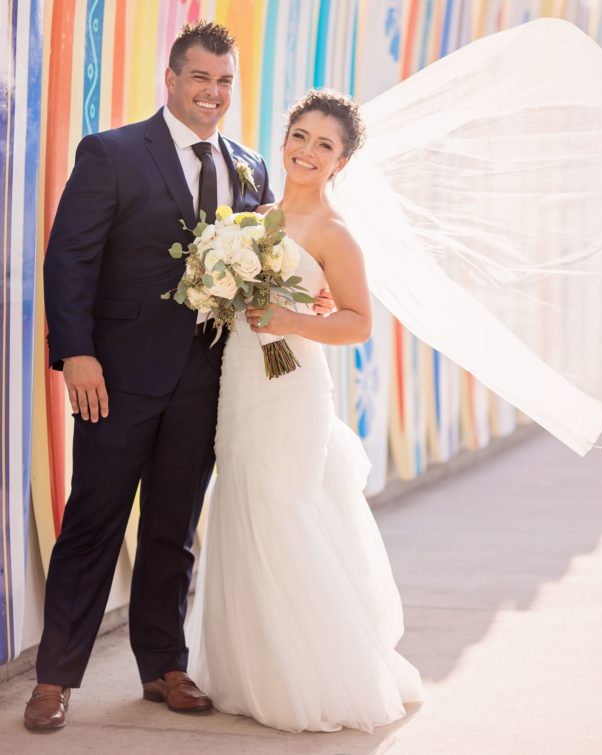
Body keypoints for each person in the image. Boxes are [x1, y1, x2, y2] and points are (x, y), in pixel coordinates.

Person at [25, 21, 333, 732]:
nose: (213, 93)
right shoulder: (111, 153)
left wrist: (302, 297)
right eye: (201, 78)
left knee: (174, 526)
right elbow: (69, 258)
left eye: (225, 82)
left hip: (206, 380)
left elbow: (266, 266)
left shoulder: (252, 167)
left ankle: (164, 664)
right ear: (171, 79)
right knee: (93, 524)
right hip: (116, 378)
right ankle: (55, 677)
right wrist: (77, 353)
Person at [185, 89, 424, 733]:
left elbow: (357, 324)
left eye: (326, 145)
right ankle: (249, 669)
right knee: (240, 499)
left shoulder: (334, 232)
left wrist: (289, 317)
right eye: (301, 136)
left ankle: (309, 674)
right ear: (284, 137)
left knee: (282, 504)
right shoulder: (252, 219)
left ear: (341, 162)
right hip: (242, 379)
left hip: (292, 388)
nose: (308, 152)